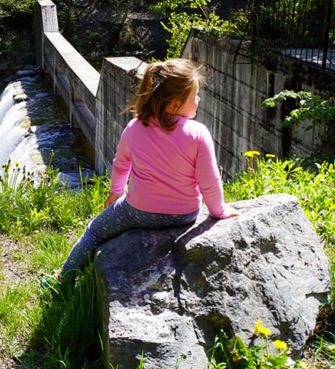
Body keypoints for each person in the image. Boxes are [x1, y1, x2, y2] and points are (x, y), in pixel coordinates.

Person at [43, 58, 240, 290]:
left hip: (140, 212)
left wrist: (116, 192)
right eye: (194, 96)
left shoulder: (135, 128)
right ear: (176, 104)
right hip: (185, 214)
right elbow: (209, 182)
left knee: (95, 230)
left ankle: (62, 281)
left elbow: (120, 165)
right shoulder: (198, 134)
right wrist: (218, 211)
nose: (198, 100)